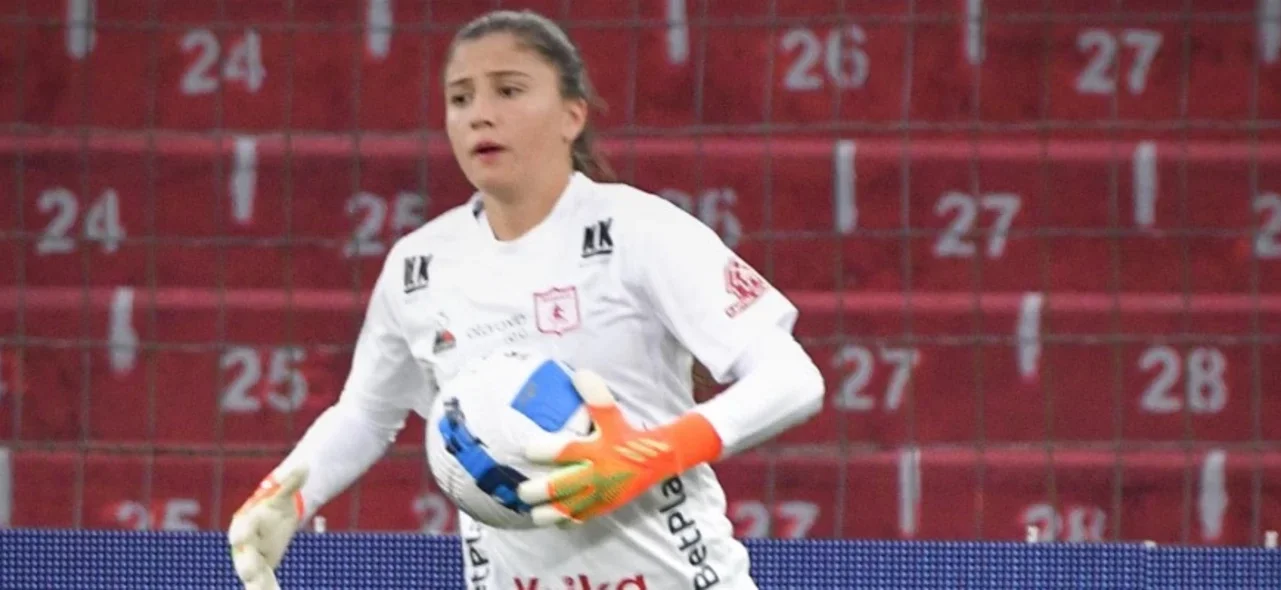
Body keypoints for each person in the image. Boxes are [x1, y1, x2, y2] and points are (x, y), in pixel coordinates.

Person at [227, 9, 825, 590]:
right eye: (460, 99)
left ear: (572, 115)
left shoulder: (639, 230)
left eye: (508, 91)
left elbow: (793, 378)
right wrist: (287, 494)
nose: (480, 115)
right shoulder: (419, 266)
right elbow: (365, 414)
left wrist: (654, 454)